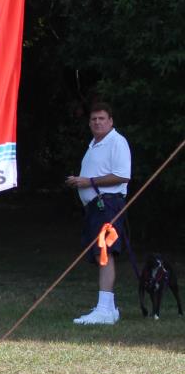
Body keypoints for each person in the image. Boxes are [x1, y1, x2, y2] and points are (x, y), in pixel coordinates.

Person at [65, 102, 132, 325]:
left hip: (108, 205)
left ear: (110, 121)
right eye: (93, 119)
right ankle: (109, 309)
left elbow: (122, 175)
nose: (97, 122)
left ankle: (103, 310)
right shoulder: (93, 144)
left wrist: (88, 181)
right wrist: (80, 182)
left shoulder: (117, 142)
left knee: (105, 251)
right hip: (96, 206)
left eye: (102, 118)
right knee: (100, 253)